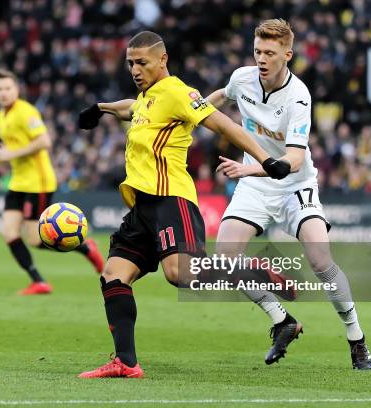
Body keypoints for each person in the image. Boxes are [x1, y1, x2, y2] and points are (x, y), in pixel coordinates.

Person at [76, 31, 291, 378]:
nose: (134, 69)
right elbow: (130, 109)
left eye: (142, 62)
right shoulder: (147, 98)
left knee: (180, 275)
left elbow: (223, 123)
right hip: (142, 207)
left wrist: (266, 160)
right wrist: (100, 109)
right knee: (114, 275)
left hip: (170, 200)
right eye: (130, 62)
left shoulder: (177, 92)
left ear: (162, 60)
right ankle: (126, 363)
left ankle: (254, 270)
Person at [207, 19, 371, 369]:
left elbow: (293, 161)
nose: (262, 59)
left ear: (287, 55)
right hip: (255, 183)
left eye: (269, 53)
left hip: (293, 184)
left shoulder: (299, 96)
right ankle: (282, 320)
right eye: (257, 52)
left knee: (319, 260)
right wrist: (189, 113)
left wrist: (247, 168)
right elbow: (221, 97)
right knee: (223, 259)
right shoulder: (243, 78)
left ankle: (357, 341)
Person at [0, 68, 104, 296]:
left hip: (37, 183)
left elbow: (44, 141)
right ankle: (38, 281)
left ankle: (86, 247)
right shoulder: (2, 115)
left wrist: (10, 154)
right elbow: (15, 150)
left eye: (8, 88)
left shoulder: (25, 112)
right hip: (18, 182)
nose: (3, 93)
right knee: (9, 232)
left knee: (36, 240)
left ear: (17, 89)